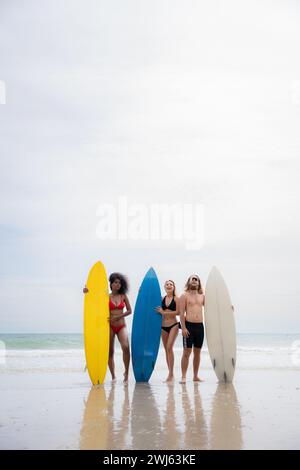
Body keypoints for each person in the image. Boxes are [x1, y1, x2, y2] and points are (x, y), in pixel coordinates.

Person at [83, 272, 132, 383]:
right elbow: (94, 301)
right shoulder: (106, 297)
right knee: (109, 352)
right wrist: (87, 292)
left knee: (125, 346)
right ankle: (113, 375)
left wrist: (118, 316)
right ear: (111, 284)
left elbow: (129, 311)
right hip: (108, 326)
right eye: (115, 282)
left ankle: (126, 373)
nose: (118, 285)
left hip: (121, 325)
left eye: (119, 283)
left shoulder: (123, 296)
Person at [179, 274, 205, 384]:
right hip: (188, 326)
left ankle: (195, 376)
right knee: (186, 352)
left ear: (199, 282)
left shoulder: (203, 296)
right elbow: (181, 313)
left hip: (200, 327)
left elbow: (213, 308)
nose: (194, 280)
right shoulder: (184, 296)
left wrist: (228, 307)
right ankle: (183, 377)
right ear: (189, 282)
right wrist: (183, 328)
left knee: (197, 353)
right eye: (192, 279)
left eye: (196, 279)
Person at [156, 280, 180, 383]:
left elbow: (178, 312)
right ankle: (170, 373)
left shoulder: (177, 299)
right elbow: (149, 298)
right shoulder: (161, 299)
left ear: (174, 287)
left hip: (173, 325)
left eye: (171, 284)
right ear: (164, 287)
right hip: (163, 326)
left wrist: (163, 312)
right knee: (166, 350)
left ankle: (171, 374)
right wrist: (141, 291)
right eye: (167, 284)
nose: (169, 285)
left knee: (169, 347)